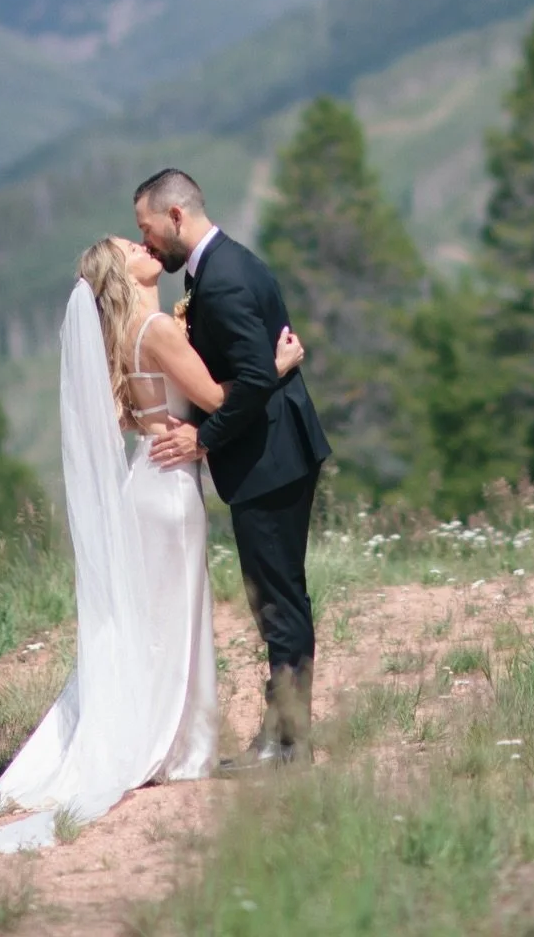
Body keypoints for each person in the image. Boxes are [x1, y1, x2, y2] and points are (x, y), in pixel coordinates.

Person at [0, 234, 304, 850]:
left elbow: (143, 410)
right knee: (176, 619)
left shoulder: (131, 329)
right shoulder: (154, 327)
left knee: (157, 618)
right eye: (132, 246)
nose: (145, 245)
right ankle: (178, 746)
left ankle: (170, 735)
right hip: (169, 491)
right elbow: (214, 399)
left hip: (148, 479)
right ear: (122, 273)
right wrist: (279, 367)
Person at [138, 168, 331, 765]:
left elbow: (250, 378)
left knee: (279, 600)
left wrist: (203, 438)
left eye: (147, 230)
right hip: (273, 450)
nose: (146, 244)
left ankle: (288, 744)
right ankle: (281, 736)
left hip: (270, 456)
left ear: (176, 217)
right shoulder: (221, 267)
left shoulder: (222, 280)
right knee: (278, 597)